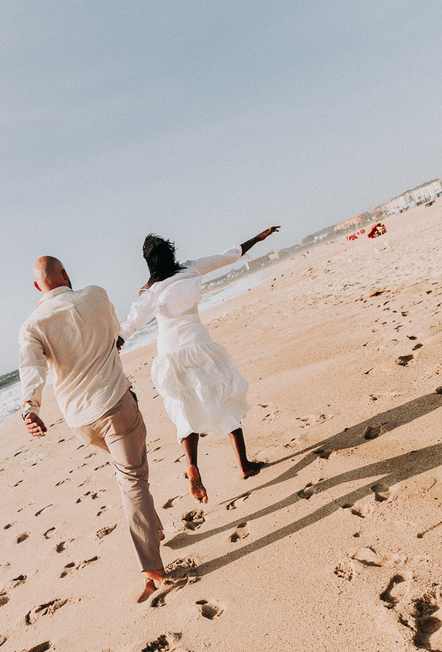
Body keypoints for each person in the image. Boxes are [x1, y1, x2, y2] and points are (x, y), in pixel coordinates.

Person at [18, 256, 167, 603]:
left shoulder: (32, 325)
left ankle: (155, 528)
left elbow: (32, 371)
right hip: (115, 405)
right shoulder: (97, 295)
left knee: (130, 473)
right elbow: (114, 332)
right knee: (132, 479)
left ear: (38, 287)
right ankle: (151, 567)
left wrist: (31, 408)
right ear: (66, 274)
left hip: (81, 421)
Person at [120, 226, 280, 504]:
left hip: (170, 353)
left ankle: (192, 464)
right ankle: (244, 464)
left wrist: (114, 343)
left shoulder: (151, 291)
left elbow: (130, 324)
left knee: (185, 410)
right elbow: (226, 257)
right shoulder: (190, 270)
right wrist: (256, 238)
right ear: (171, 254)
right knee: (225, 399)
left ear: (149, 263)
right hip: (200, 345)